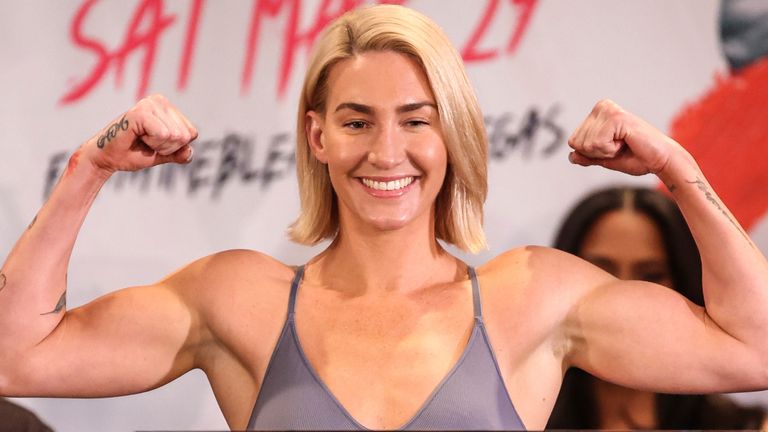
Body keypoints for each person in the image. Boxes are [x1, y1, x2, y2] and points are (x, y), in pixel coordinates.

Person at [1, 4, 767, 430]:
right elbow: (16, 358)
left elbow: (753, 349)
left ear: (452, 134)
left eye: (416, 120)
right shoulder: (238, 299)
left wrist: (678, 169)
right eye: (358, 121)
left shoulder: (532, 297)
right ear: (318, 136)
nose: (386, 151)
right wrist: (89, 169)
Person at [545, 187, 768, 429]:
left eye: (651, 276)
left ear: (684, 281)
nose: (625, 296)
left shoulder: (747, 427)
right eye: (601, 272)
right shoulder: (520, 416)